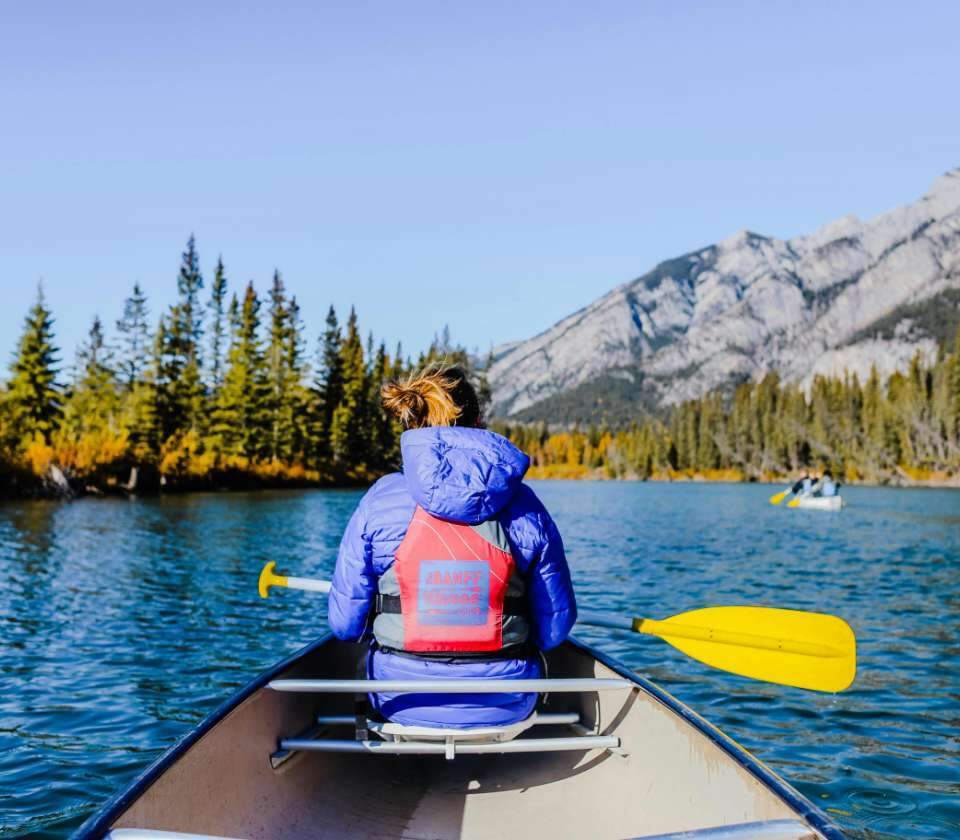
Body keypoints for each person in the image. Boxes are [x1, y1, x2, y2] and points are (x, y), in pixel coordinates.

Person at [328, 366, 577, 728]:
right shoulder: (525, 506)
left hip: (399, 699)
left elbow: (344, 625)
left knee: (358, 656)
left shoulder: (379, 501)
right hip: (506, 701)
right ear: (478, 421)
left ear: (411, 425)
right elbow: (555, 632)